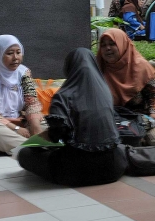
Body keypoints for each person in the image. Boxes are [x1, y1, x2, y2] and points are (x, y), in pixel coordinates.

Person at [18, 48, 127, 186]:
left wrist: (38, 141)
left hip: (75, 172)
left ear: (69, 68)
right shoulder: (105, 93)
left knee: (25, 154)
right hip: (113, 169)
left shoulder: (63, 96)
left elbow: (57, 134)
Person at [97, 29, 155, 148]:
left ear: (122, 44)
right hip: (111, 119)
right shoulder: (97, 67)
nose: (107, 48)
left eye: (112, 44)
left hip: (141, 118)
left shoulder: (140, 66)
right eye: (103, 45)